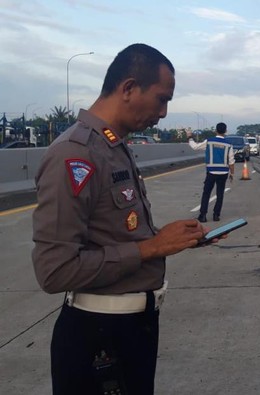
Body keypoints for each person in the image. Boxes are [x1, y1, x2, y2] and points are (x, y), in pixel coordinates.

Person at [32, 43, 207, 395]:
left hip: (131, 329)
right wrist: (150, 248)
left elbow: (116, 236)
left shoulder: (113, 146)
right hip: (98, 336)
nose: (164, 113)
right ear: (128, 88)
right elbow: (55, 270)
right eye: (161, 99)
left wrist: (169, 239)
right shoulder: (75, 153)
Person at [187, 123, 235, 222]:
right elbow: (231, 161)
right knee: (220, 194)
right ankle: (216, 215)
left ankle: (203, 215)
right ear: (225, 131)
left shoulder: (209, 142)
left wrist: (190, 137)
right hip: (223, 173)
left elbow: (195, 147)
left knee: (206, 193)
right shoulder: (228, 144)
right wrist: (232, 173)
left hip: (211, 172)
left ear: (215, 131)